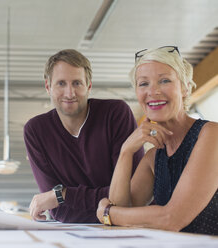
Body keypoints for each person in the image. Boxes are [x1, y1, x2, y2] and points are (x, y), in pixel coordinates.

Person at [96, 46, 218, 235]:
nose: (153, 91)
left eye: (164, 81)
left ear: (185, 88)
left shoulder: (211, 135)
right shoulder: (153, 157)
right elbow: (121, 214)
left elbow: (171, 219)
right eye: (143, 84)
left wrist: (107, 213)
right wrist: (126, 151)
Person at [24, 49, 144, 223]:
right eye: (61, 83)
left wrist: (63, 195)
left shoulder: (115, 114)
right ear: (48, 87)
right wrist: (109, 206)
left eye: (77, 83)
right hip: (77, 235)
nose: (70, 93)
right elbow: (60, 213)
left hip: (130, 228)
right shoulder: (35, 131)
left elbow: (132, 195)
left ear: (88, 86)